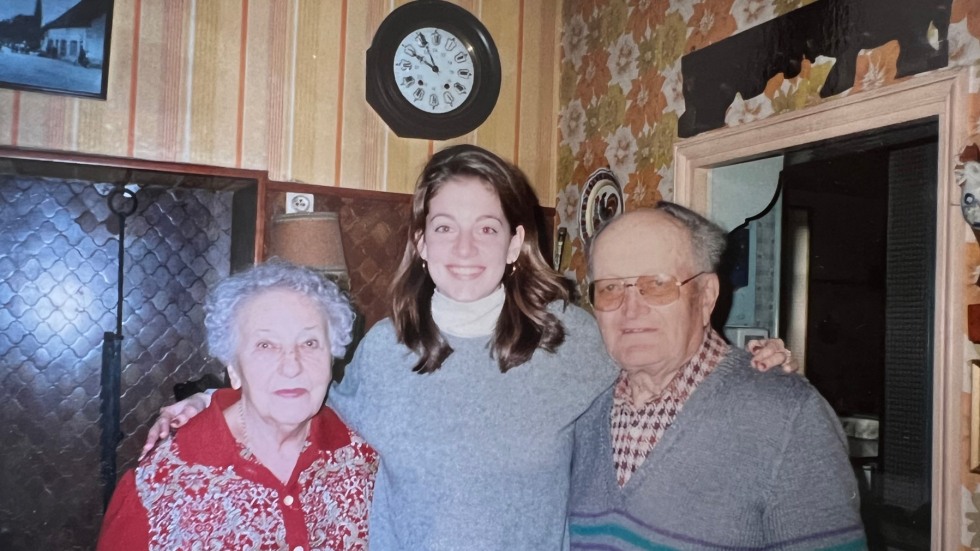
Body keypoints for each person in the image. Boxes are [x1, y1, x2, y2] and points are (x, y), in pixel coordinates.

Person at [142, 146, 794, 550]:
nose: (463, 249)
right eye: (445, 228)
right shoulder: (384, 349)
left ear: (515, 243)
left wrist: (750, 366)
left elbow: (660, 364)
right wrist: (213, 404)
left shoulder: (574, 338)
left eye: (486, 229)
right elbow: (301, 405)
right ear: (420, 242)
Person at [567, 203, 865, 550]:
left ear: (706, 296)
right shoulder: (582, 407)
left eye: (658, 284)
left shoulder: (787, 416)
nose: (631, 309)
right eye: (610, 289)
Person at [99, 260, 377, 550]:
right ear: (233, 367)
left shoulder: (363, 458)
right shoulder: (160, 484)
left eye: (309, 343)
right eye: (266, 345)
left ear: (332, 356)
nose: (292, 367)